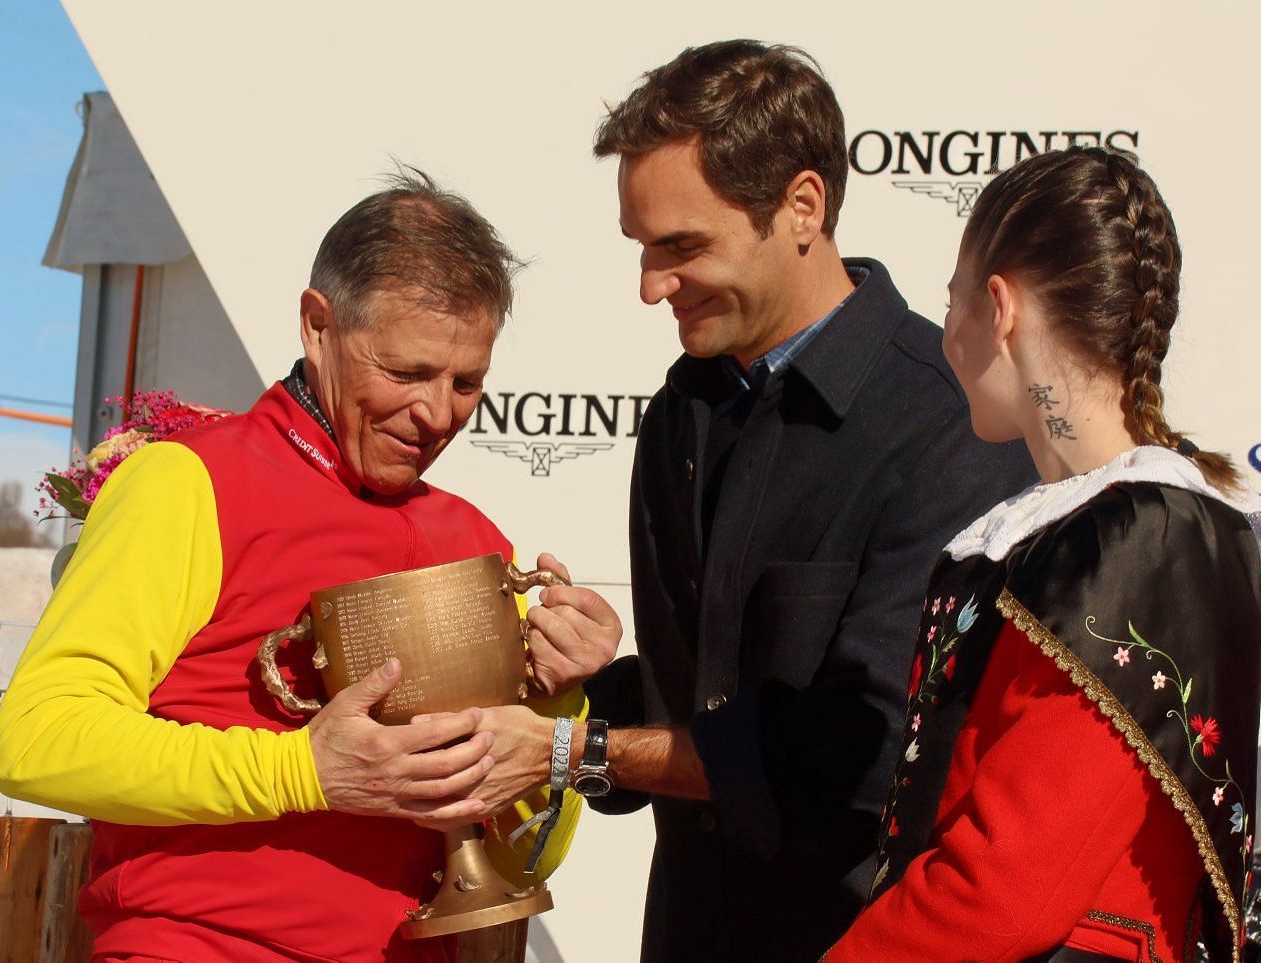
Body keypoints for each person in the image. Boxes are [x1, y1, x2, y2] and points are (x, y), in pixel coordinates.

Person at [471, 40, 1036, 961]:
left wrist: (577, 751)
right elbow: (704, 718)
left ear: (802, 207)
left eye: (682, 246)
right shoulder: (680, 415)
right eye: (644, 248)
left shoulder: (947, 422)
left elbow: (867, 753)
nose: (651, 285)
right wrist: (574, 692)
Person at [0, 170, 620, 962]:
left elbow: (527, 858)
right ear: (318, 325)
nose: (437, 413)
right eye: (405, 372)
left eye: (467, 383)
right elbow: (37, 738)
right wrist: (303, 770)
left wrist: (561, 699)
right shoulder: (189, 483)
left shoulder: (475, 540)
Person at [825, 147, 1261, 962]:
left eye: (952, 301)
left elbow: (1007, 884)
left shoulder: (1136, 536)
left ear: (999, 309)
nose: (947, 332)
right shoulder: (1097, 527)